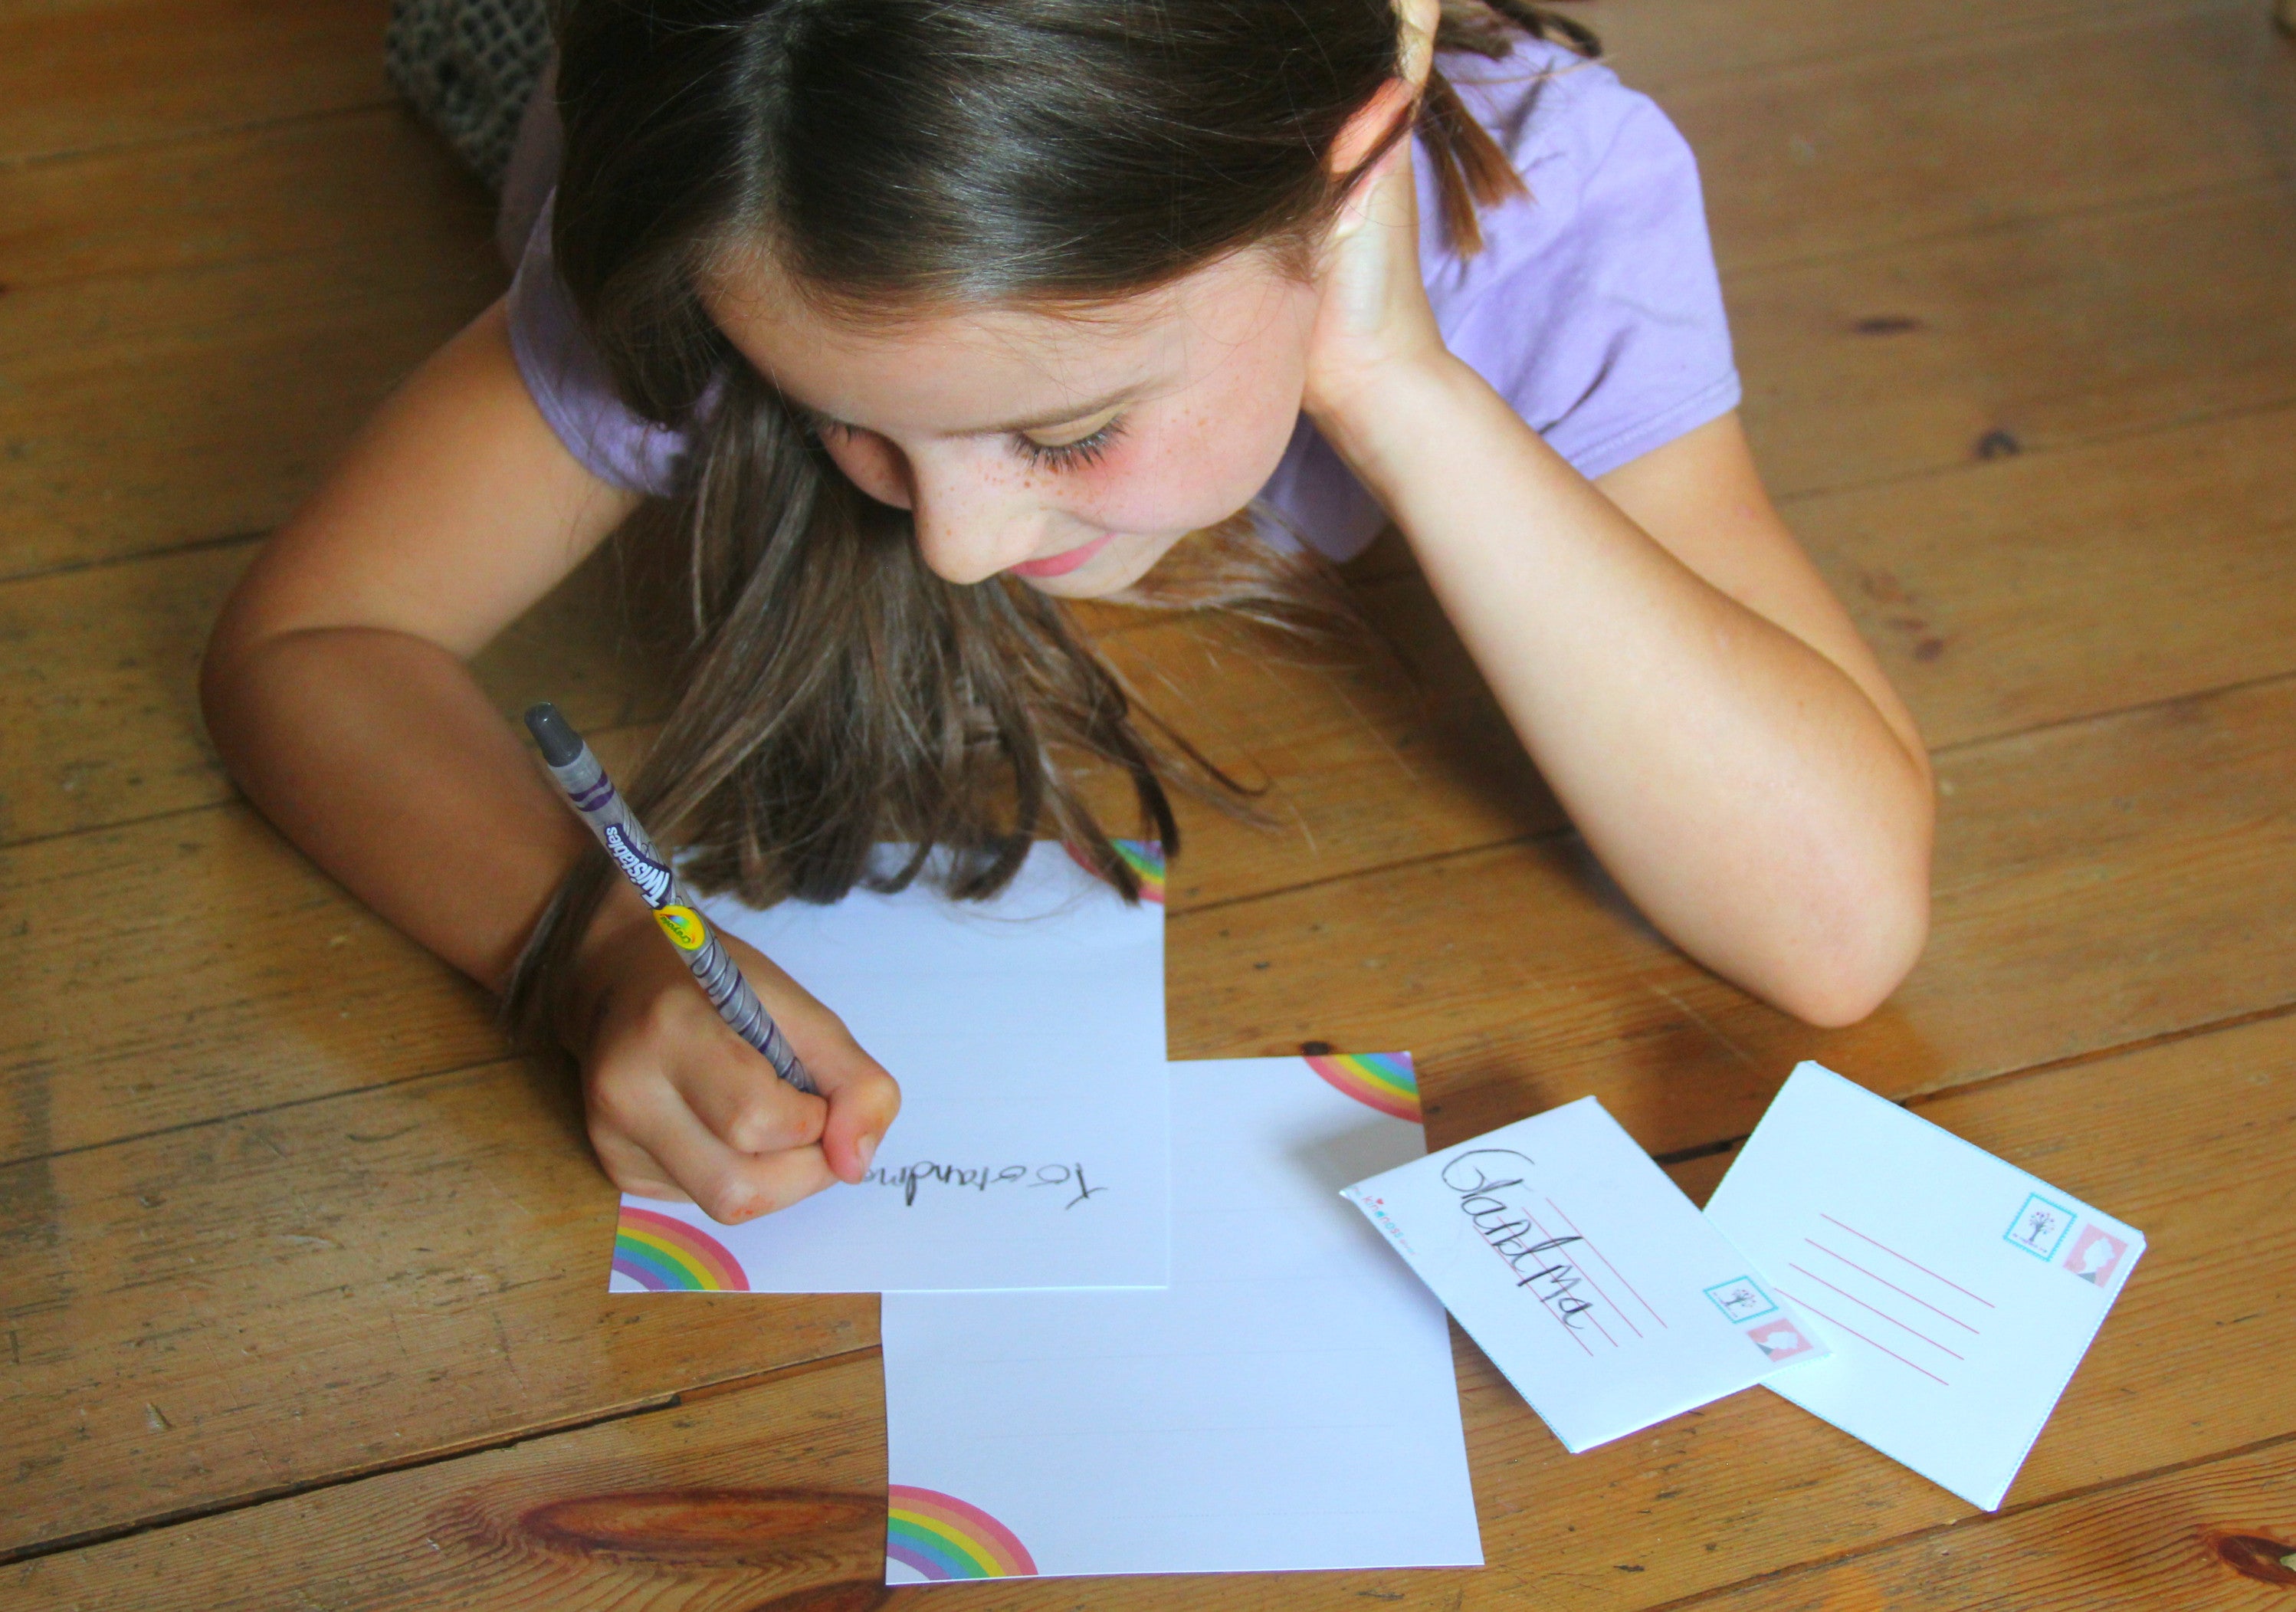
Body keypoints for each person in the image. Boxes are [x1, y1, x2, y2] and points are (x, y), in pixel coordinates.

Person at [201, 0, 1935, 1226]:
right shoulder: (729, 209)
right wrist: (580, 951)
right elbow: (309, 643)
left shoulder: (1547, 200)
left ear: (1347, 186)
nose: (950, 543)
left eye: (1065, 432)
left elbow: (1837, 923)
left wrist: (1401, 382)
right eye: (839, 421)